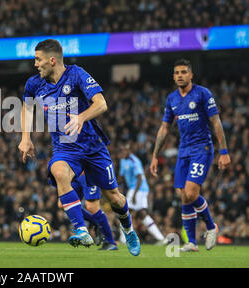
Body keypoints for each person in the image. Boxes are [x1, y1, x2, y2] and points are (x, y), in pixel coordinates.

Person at [18, 39, 140, 256]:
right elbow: (27, 108)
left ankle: (128, 228)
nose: (35, 64)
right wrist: (25, 138)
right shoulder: (34, 84)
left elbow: (101, 103)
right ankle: (82, 230)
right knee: (58, 171)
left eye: (38, 60)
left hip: (93, 147)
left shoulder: (76, 75)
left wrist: (81, 117)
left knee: (115, 198)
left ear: (52, 60)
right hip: (65, 148)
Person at [150, 59, 231, 252]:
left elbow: (216, 122)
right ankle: (192, 243)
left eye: (184, 72)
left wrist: (224, 152)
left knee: (192, 192)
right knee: (185, 197)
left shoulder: (203, 94)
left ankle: (211, 227)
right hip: (184, 151)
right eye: (177, 72)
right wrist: (154, 155)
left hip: (202, 148)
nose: (180, 75)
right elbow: (164, 128)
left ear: (191, 75)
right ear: (173, 76)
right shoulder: (172, 99)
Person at [118, 144, 167, 245]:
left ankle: (123, 239)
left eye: (124, 151)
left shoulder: (134, 161)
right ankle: (161, 238)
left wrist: (135, 194)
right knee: (142, 214)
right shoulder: (123, 161)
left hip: (139, 189)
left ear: (129, 151)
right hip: (133, 189)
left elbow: (140, 178)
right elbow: (121, 177)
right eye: (121, 151)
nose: (122, 153)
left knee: (126, 212)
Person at [58, 173, 118, 250]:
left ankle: (110, 242)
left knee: (91, 207)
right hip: (73, 175)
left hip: (88, 173)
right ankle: (96, 222)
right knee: (63, 204)